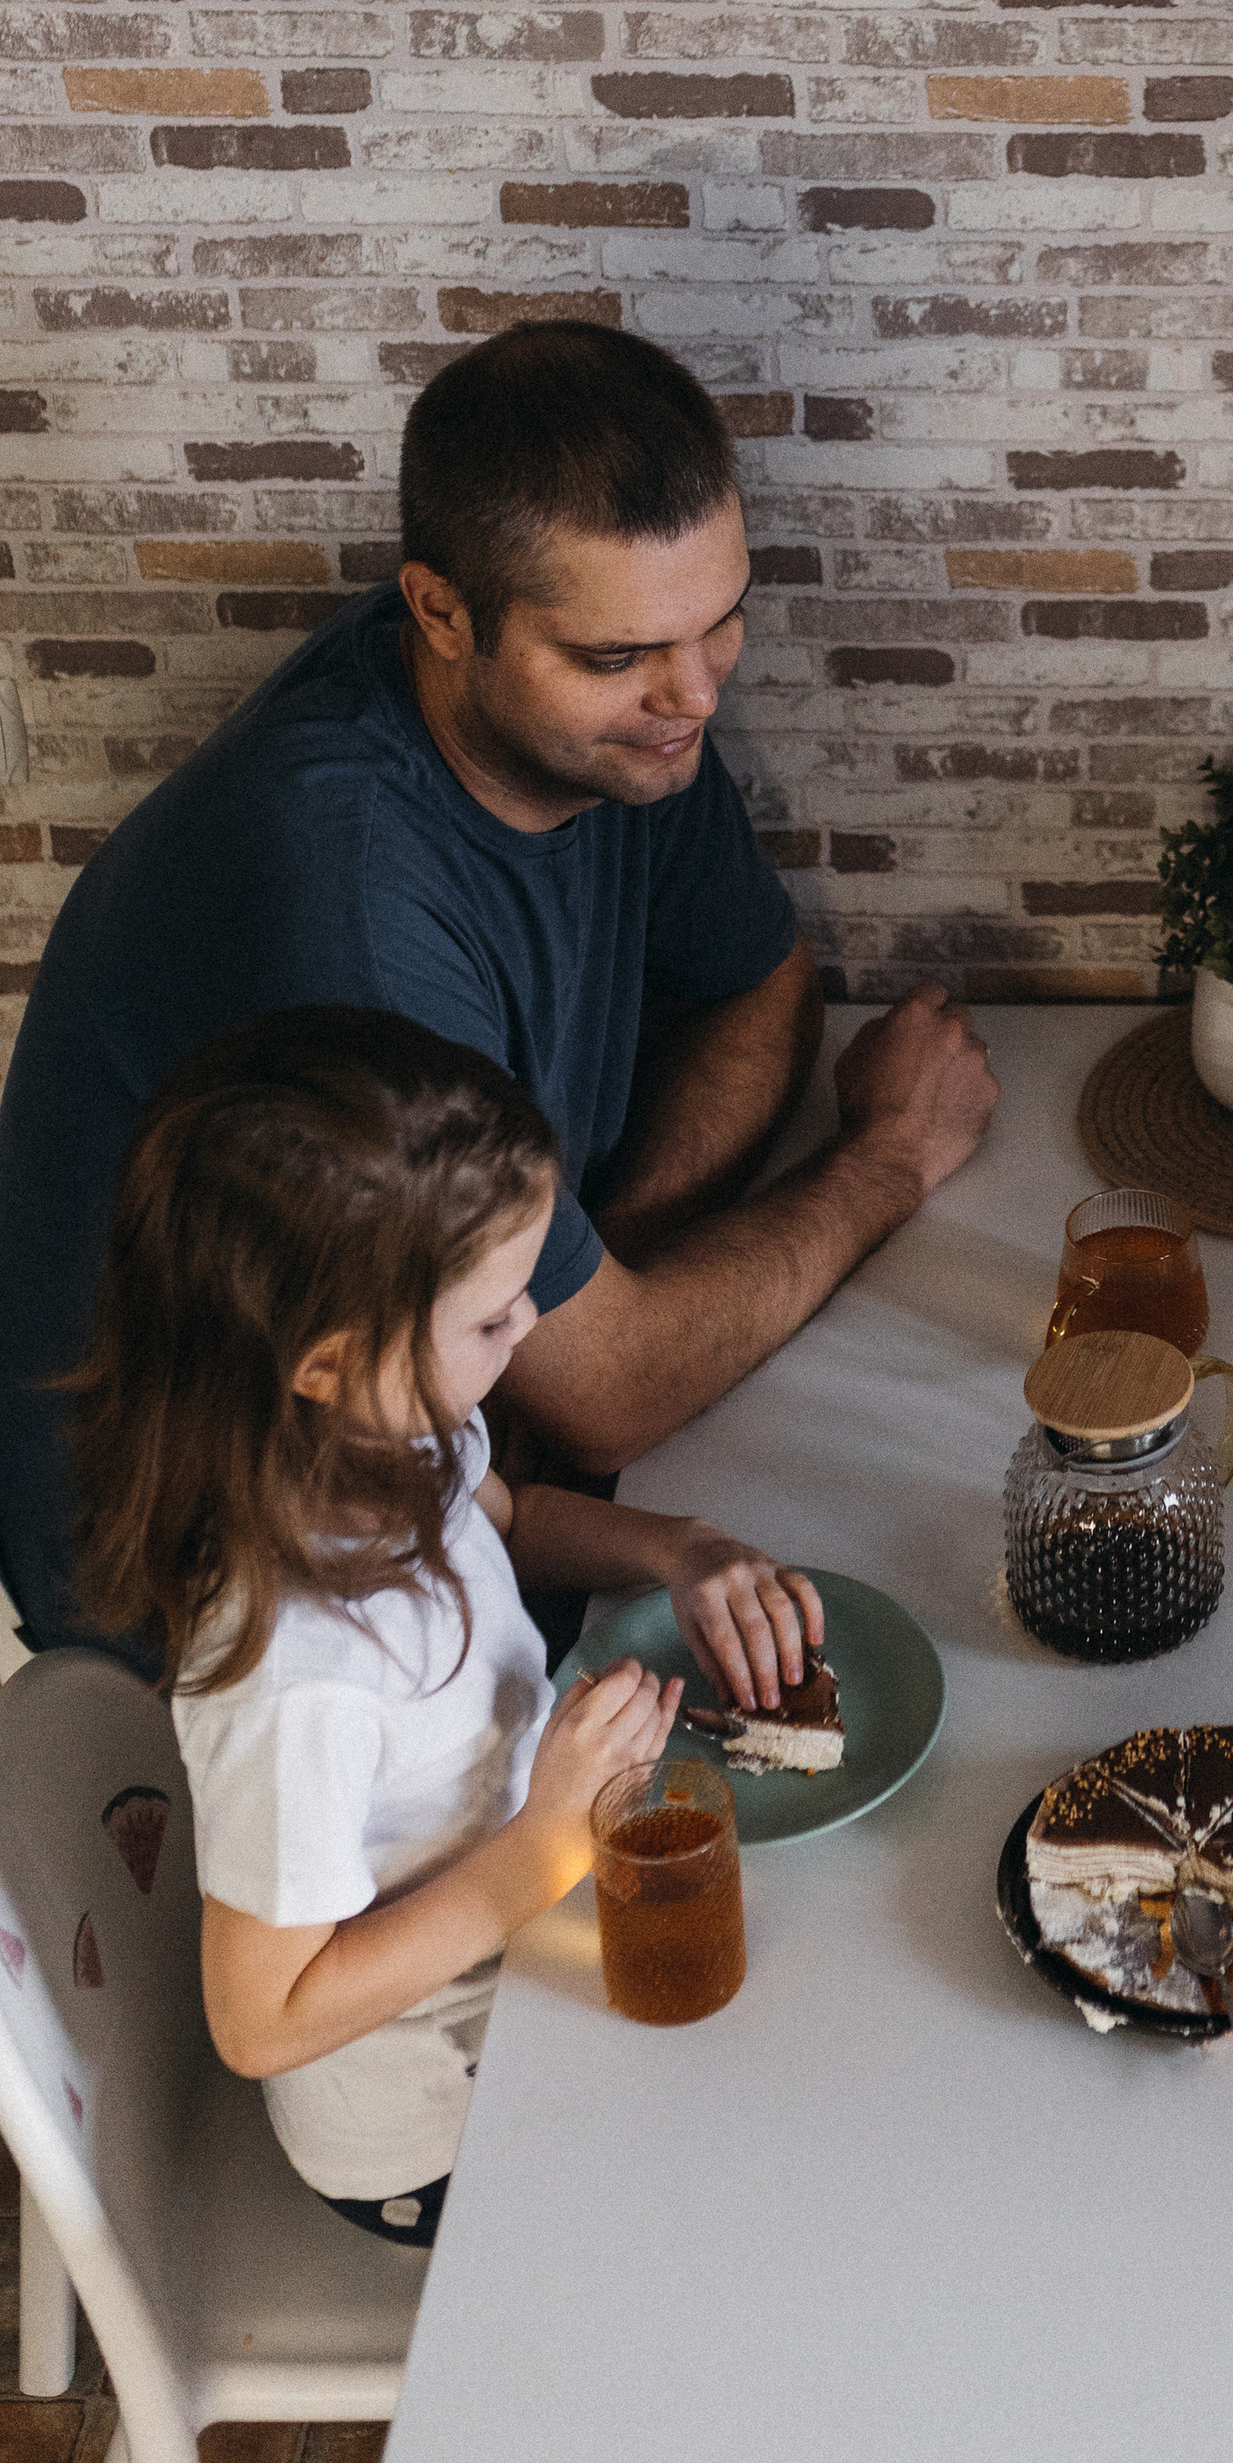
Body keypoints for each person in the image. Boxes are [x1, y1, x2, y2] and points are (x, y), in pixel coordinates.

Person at [0, 318, 998, 1655]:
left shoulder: (622, 731)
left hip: (464, 1497)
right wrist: (886, 1158)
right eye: (618, 656)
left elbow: (756, 984)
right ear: (441, 611)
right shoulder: (343, 900)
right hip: (229, 1624)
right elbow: (616, 1391)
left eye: (721, 623)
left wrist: (597, 1287)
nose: (693, 695)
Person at [73, 1010, 821, 2247]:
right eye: (489, 1319)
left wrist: (673, 1546)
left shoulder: (388, 1429)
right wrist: (542, 1846)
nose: (529, 1327)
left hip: (538, 1951)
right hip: (439, 2123)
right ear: (324, 1362)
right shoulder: (294, 1675)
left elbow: (511, 1521)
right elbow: (263, 2022)